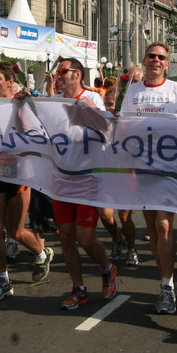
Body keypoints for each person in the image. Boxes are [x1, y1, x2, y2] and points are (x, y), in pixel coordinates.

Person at [120, 42, 177, 314]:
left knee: (163, 225)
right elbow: (124, 125)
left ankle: (166, 286)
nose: (156, 60)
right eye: (151, 56)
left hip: (169, 168)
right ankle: (167, 279)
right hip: (142, 168)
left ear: (167, 64)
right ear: (144, 59)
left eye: (161, 57)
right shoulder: (133, 91)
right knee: (152, 229)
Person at [48, 57, 118, 309]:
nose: (58, 75)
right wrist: (23, 102)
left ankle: (107, 268)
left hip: (88, 179)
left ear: (77, 75)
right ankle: (78, 288)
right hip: (61, 179)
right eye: (58, 72)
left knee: (86, 239)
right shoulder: (53, 102)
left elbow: (107, 132)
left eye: (63, 71)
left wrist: (91, 110)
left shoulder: (93, 98)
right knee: (66, 238)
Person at [0, 61, 53, 301]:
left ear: (9, 82)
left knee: (16, 231)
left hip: (19, 173)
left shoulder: (20, 104)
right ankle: (4, 280)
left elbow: (36, 136)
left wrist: (22, 105)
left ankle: (42, 254)